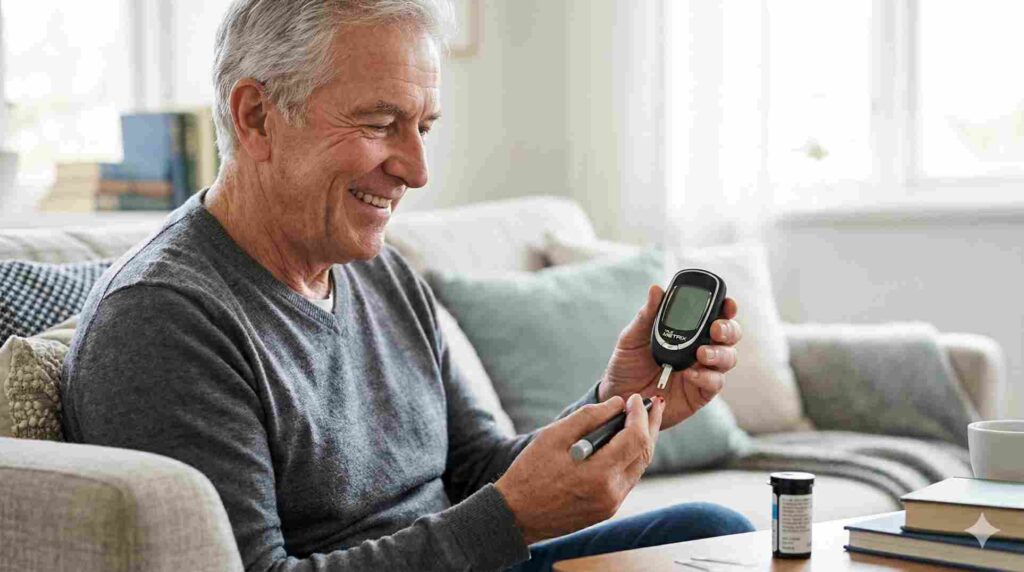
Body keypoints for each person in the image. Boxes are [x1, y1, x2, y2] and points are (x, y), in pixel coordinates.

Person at [60, 1, 754, 570]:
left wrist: (620, 401)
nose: (418, 171)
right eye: (380, 124)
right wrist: (508, 519)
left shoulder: (378, 268)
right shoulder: (163, 321)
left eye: (423, 127)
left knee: (711, 531)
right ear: (257, 117)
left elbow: (479, 468)